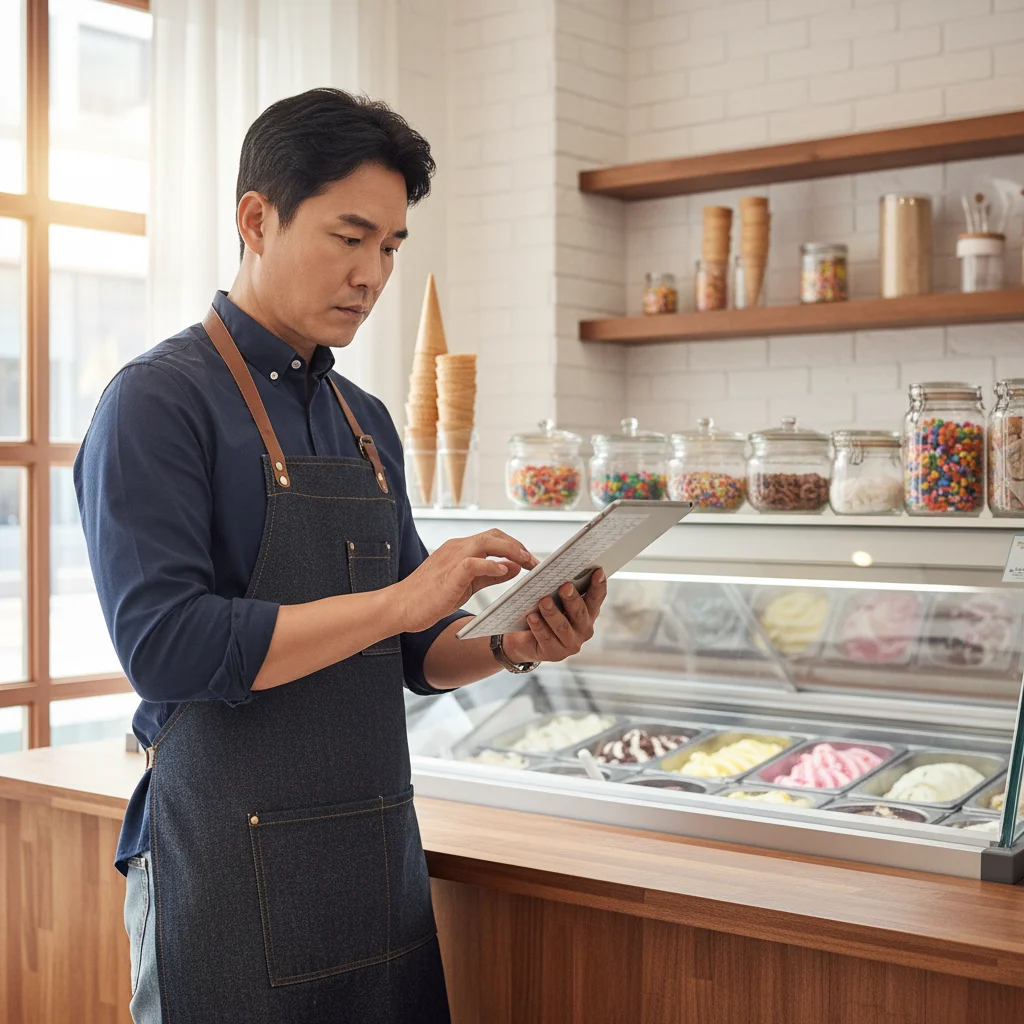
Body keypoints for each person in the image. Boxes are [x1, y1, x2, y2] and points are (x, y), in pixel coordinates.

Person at [74, 88, 607, 1024]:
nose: (371, 273)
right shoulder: (156, 403)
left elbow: (417, 653)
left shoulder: (366, 423)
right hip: (220, 873)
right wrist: (403, 602)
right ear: (255, 219)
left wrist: (518, 641)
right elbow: (166, 647)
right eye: (348, 236)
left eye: (391, 247)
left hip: (373, 873)